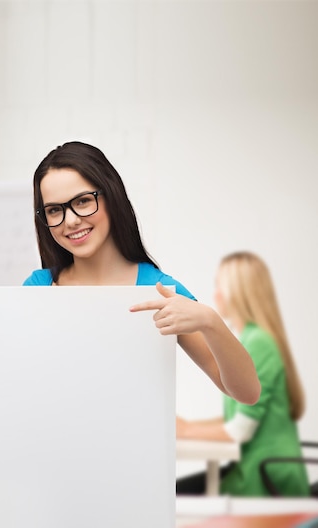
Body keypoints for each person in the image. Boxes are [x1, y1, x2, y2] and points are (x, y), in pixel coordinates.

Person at [23, 141, 260, 405]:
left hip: (137, 445)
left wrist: (210, 321)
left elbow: (247, 393)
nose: (71, 221)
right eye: (54, 210)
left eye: (83, 201)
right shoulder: (37, 288)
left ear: (111, 197)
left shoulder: (160, 291)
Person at [176, 251, 309, 496]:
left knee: (176, 497)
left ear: (239, 292)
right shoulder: (249, 339)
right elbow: (238, 415)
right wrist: (188, 425)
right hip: (259, 466)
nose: (215, 294)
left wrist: (185, 432)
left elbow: (240, 429)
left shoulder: (258, 342)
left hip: (266, 475)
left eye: (219, 285)